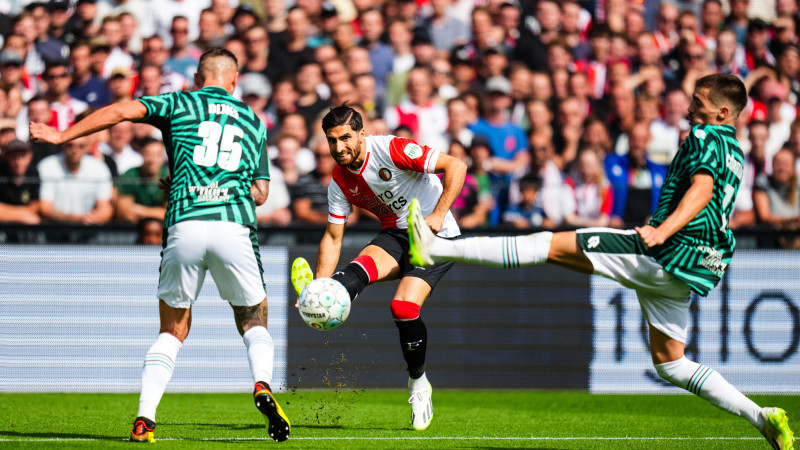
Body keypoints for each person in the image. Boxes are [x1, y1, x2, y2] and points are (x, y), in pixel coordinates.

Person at [406, 74, 795, 450]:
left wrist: (662, 231)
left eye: (699, 103)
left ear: (723, 113)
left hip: (663, 251)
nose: (691, 108)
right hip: (693, 267)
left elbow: (702, 189)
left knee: (547, 244)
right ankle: (762, 417)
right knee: (671, 364)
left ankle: (436, 248)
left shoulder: (703, 135)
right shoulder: (736, 152)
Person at [29, 48, 290, 444]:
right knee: (253, 319)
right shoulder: (254, 120)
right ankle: (262, 385)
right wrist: (228, 187)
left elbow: (119, 112)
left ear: (199, 76)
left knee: (172, 329)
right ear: (234, 80)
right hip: (233, 227)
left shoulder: (178, 101)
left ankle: (144, 419)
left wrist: (64, 134)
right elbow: (260, 192)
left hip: (184, 224)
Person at [290, 104, 466, 431]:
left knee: (402, 308)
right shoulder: (340, 179)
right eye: (332, 140)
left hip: (437, 238)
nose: (339, 147)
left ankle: (418, 384)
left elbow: (456, 165)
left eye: (345, 138)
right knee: (346, 280)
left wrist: (439, 215)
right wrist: (320, 286)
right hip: (396, 236)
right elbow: (332, 237)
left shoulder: (392, 149)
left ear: (361, 133)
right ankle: (330, 299)